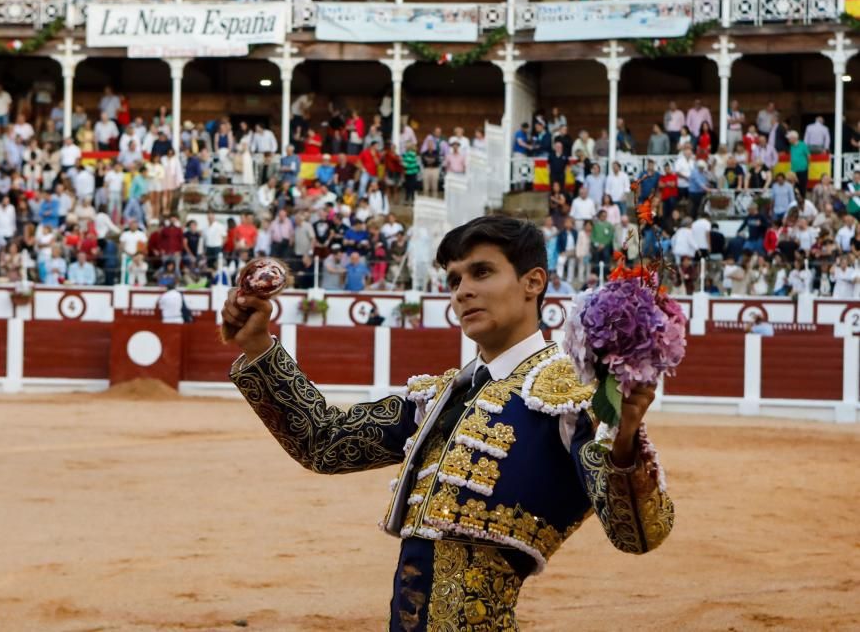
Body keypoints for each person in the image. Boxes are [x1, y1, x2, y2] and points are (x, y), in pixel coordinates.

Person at [223, 215, 674, 630]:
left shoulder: (571, 396)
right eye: (454, 280)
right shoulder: (440, 397)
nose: (461, 291)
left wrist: (625, 443)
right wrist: (259, 343)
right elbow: (323, 442)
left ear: (533, 282)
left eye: (481, 273)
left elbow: (640, 534)